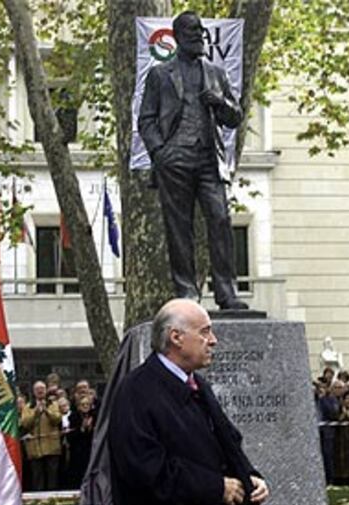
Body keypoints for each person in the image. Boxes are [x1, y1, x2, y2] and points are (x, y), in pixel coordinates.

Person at [108, 299, 269, 505]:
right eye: (204, 332)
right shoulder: (135, 391)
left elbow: (228, 442)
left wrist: (249, 478)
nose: (213, 340)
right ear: (176, 337)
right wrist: (216, 487)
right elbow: (144, 469)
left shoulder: (198, 384)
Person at [138, 11, 247, 310]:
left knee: (221, 220)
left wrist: (220, 101)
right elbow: (146, 119)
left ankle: (227, 293)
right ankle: (187, 292)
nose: (198, 36)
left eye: (200, 31)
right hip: (175, 159)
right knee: (179, 226)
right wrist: (160, 153)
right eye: (191, 31)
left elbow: (235, 117)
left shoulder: (216, 72)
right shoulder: (160, 74)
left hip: (209, 159)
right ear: (176, 37)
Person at [20, 380, 62, 491]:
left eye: (42, 389)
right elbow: (25, 423)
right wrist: (36, 412)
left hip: (52, 446)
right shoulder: (28, 407)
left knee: (52, 476)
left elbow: (57, 419)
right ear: (34, 392)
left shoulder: (53, 404)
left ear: (46, 390)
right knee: (37, 477)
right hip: (35, 448)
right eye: (37, 389)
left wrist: (47, 411)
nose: (40, 391)